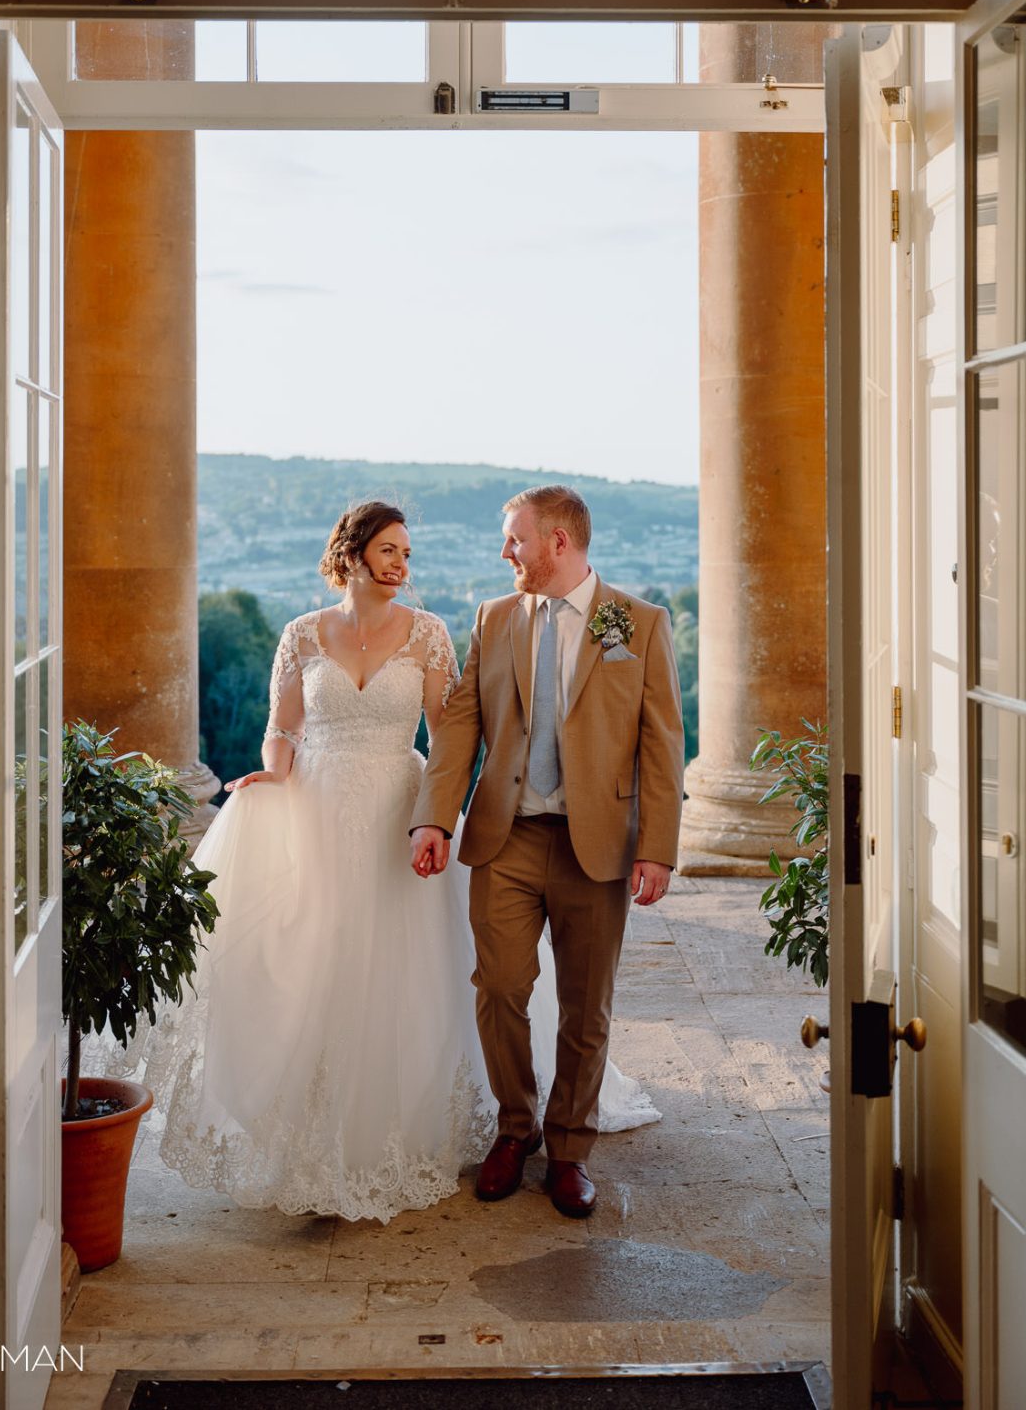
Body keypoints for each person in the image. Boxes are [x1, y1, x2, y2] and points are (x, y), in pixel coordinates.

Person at [102, 500, 658, 1224]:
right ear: (353, 552)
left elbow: (450, 729)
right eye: (389, 550)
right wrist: (275, 771)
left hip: (405, 808)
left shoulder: (442, 633)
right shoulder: (305, 633)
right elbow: (285, 728)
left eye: (406, 552)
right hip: (325, 811)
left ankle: (551, 1143)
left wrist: (435, 814)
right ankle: (401, 1124)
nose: (401, 564)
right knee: (349, 961)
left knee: (445, 975)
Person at [410, 484, 685, 1219]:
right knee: (498, 984)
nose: (506, 552)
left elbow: (662, 744)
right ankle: (514, 1127)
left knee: (584, 1007)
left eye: (514, 539)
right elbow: (461, 724)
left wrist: (656, 846)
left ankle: (568, 1150)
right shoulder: (494, 618)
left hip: (597, 845)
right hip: (506, 834)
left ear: (557, 542)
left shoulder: (640, 623)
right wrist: (434, 817)